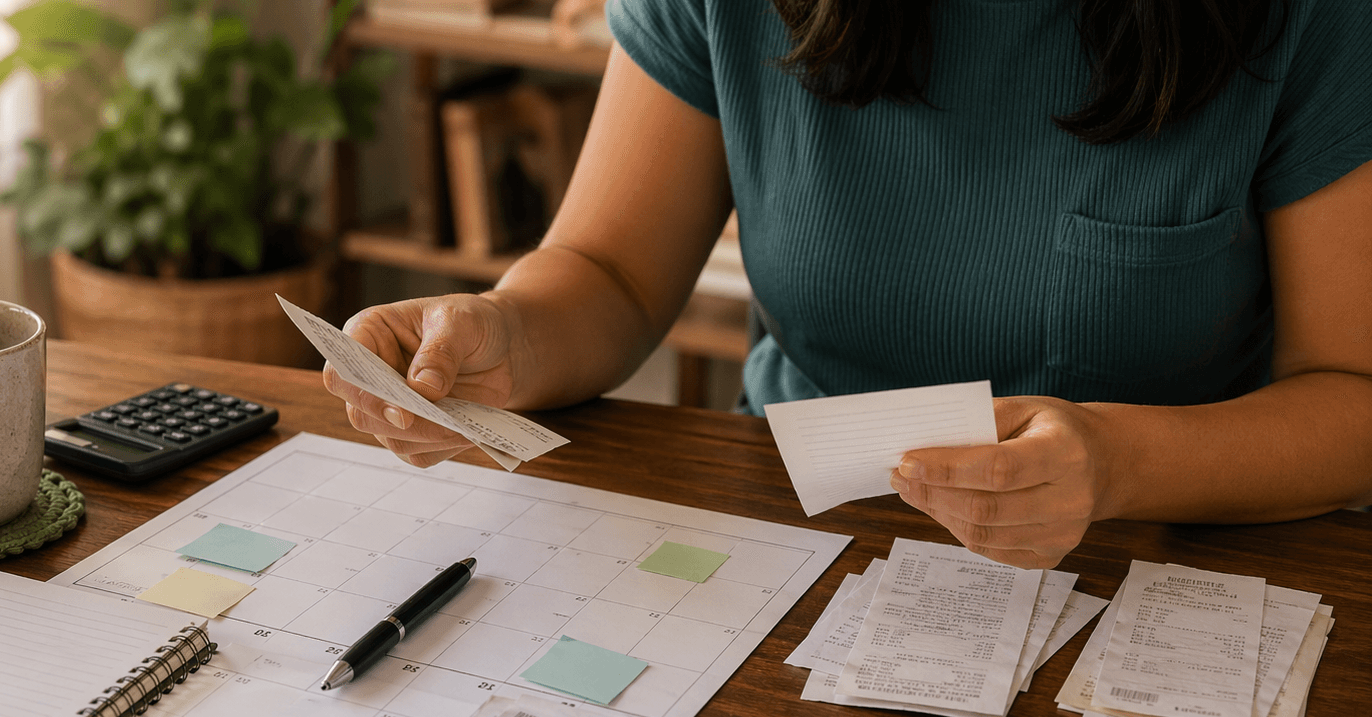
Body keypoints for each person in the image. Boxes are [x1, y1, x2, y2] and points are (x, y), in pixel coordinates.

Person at [324, 0, 1372, 569]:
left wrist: (1121, 464)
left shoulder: (1310, 20)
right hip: (796, 535)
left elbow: (1350, 395)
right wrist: (503, 329)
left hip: (1158, 561)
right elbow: (606, 273)